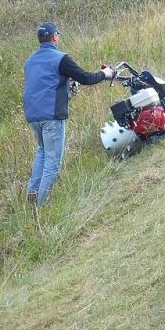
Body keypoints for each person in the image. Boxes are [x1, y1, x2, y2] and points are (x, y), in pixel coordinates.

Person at [23, 22, 114, 205]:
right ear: (55, 37)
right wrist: (105, 73)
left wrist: (66, 87)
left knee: (42, 152)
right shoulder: (61, 58)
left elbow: (45, 83)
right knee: (53, 163)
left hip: (33, 116)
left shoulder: (30, 61)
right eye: (58, 35)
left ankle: (31, 198)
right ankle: (40, 208)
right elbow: (86, 78)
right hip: (51, 116)